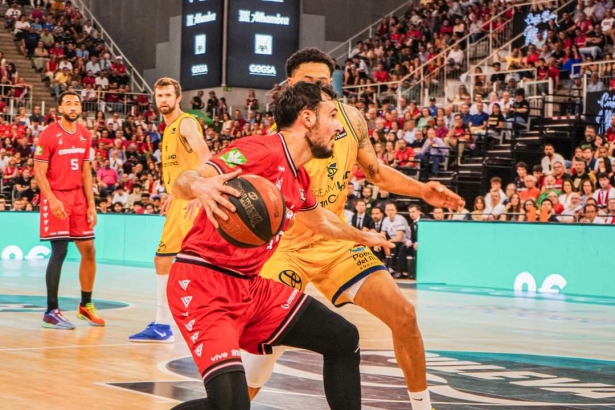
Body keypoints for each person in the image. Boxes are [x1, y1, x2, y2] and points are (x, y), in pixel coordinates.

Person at [244, 47, 464, 410]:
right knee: (273, 337)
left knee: (404, 315)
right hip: (285, 248)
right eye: (309, 82)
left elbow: (376, 173)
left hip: (336, 243)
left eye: (325, 83)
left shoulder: (350, 119)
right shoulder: (279, 136)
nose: (319, 89)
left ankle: (423, 406)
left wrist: (423, 190)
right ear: (290, 86)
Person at [167, 82, 391, 410]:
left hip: (251, 289)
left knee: (343, 338)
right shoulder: (259, 151)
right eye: (332, 115)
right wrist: (200, 185)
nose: (338, 126)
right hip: (203, 286)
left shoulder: (298, 178)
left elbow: (321, 221)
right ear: (307, 118)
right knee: (230, 406)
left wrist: (364, 237)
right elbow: (182, 181)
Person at [129, 78, 210, 343]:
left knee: (171, 261)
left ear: (178, 98)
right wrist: (171, 191)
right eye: (159, 95)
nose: (163, 100)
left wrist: (198, 188)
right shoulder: (169, 128)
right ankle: (166, 323)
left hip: (189, 203)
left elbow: (205, 154)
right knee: (176, 262)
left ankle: (166, 323)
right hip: (180, 199)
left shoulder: (185, 123)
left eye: (167, 95)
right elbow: (182, 165)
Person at [33, 91, 103, 329]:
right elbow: (38, 172)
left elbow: (86, 172)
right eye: (68, 103)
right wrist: (51, 199)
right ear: (60, 108)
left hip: (78, 198)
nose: (73, 106)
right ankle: (51, 311)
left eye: (77, 103)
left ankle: (85, 305)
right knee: (60, 251)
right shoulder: (48, 134)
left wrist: (91, 204)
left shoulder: (85, 134)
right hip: (56, 195)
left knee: (89, 250)